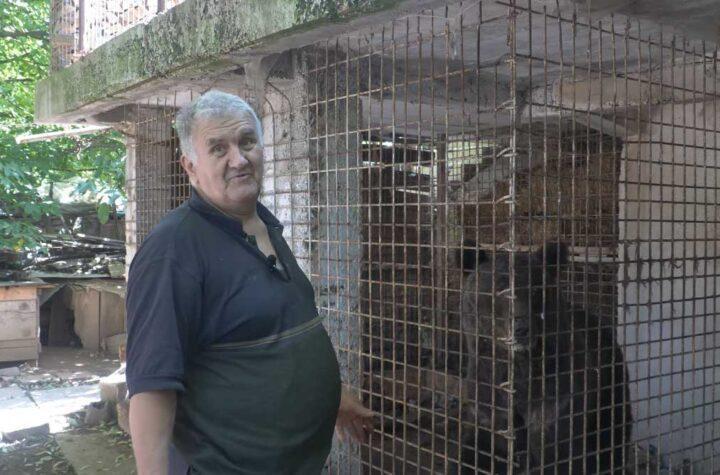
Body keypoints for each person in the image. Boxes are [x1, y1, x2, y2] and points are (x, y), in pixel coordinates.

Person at [126, 90, 374, 474]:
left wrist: (331, 396)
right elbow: (152, 385)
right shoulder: (173, 250)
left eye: (247, 142)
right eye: (218, 148)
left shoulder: (263, 224)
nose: (239, 159)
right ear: (190, 166)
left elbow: (276, 326)